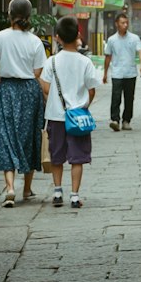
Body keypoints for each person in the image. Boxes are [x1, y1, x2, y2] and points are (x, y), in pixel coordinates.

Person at [0, 0, 47, 207]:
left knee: (6, 137)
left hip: (6, 89)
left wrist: (0, 85)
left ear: (9, 15)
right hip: (29, 91)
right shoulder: (35, 41)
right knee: (29, 137)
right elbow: (37, 72)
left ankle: (10, 188)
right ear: (29, 16)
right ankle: (27, 189)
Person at [40, 15, 98, 209]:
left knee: (56, 156)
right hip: (78, 117)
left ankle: (57, 192)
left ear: (58, 37)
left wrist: (56, 102)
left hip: (56, 116)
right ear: (78, 35)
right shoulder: (85, 62)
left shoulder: (52, 62)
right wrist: (83, 106)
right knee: (77, 157)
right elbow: (91, 90)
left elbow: (45, 87)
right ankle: (74, 196)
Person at [103, 12, 141, 131]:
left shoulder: (134, 38)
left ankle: (126, 120)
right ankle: (115, 120)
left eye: (126, 23)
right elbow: (108, 57)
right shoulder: (111, 40)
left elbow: (140, 52)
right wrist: (105, 73)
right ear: (117, 24)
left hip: (130, 73)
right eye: (122, 23)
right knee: (115, 97)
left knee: (129, 98)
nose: (125, 25)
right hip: (116, 73)